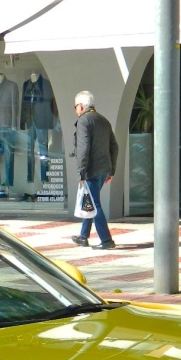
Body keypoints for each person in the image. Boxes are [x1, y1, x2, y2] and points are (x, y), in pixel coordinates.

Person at [70, 90, 118, 249]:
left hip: (92, 170)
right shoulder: (103, 120)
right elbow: (114, 146)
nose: (75, 109)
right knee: (90, 201)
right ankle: (83, 236)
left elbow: (83, 148)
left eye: (75, 106)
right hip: (104, 169)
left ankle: (106, 240)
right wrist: (111, 170)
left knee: (95, 205)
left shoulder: (84, 121)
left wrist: (81, 172)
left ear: (82, 106)